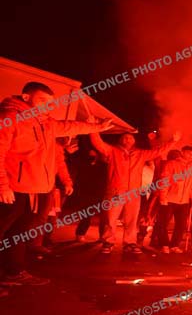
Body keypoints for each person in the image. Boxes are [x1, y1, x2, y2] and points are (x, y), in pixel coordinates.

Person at [0, 82, 110, 290]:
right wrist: (2, 186)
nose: (47, 106)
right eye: (42, 100)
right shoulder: (9, 118)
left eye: (50, 102)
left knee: (18, 233)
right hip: (11, 189)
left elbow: (70, 126)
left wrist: (97, 127)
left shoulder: (45, 123)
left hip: (32, 189)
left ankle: (14, 272)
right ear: (26, 97)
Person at [89, 128, 180, 254]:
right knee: (110, 218)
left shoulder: (140, 153)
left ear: (134, 141)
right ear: (121, 140)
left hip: (133, 192)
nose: (128, 139)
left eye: (130, 138)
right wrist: (93, 128)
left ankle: (130, 242)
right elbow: (98, 143)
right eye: (125, 137)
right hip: (115, 191)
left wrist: (173, 141)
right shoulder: (112, 151)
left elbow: (158, 151)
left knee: (132, 219)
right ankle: (108, 241)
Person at [155, 145, 192, 253]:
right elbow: (164, 181)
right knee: (163, 223)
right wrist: (163, 196)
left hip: (184, 201)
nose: (191, 156)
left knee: (181, 225)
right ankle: (164, 244)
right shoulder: (172, 164)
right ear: (182, 153)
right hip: (169, 199)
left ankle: (174, 245)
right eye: (189, 153)